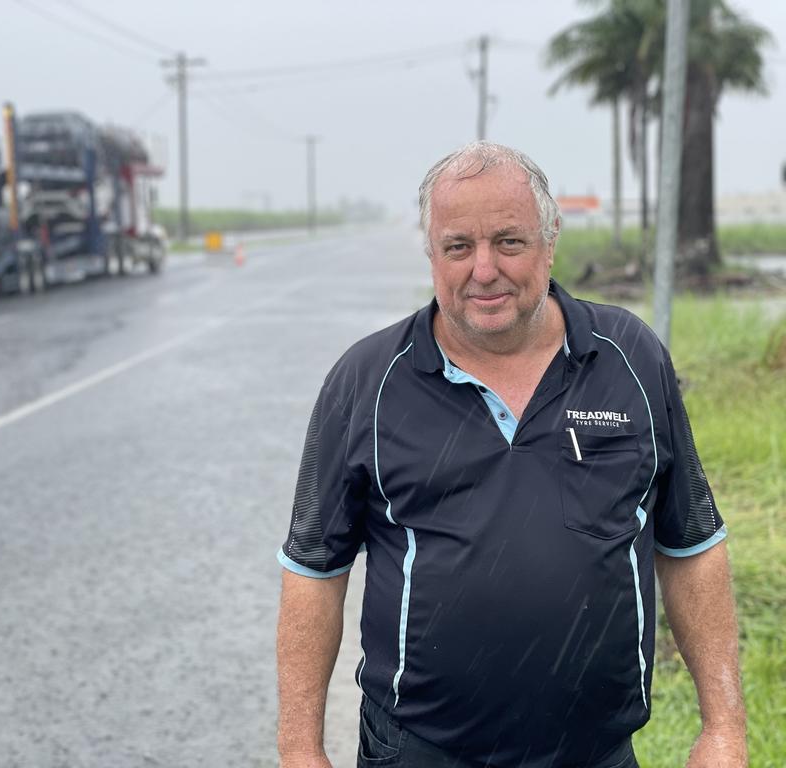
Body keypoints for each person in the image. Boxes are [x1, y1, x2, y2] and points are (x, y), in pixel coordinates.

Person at [275, 142, 747, 768]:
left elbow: (689, 544)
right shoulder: (367, 381)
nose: (484, 269)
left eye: (509, 241)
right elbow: (314, 569)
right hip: (420, 752)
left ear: (550, 242)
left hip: (597, 754)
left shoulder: (629, 357)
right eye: (458, 247)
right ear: (432, 253)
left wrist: (724, 727)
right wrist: (299, 749)